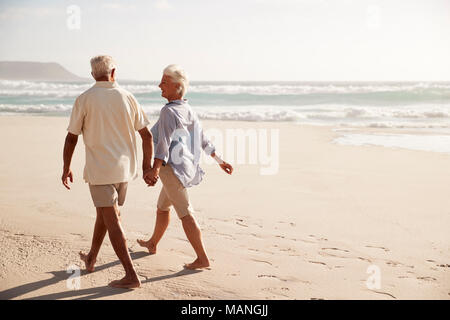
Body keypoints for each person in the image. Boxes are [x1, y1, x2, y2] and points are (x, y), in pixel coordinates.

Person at [61, 55, 156, 288]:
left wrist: (66, 167)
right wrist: (146, 168)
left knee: (112, 219)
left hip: (100, 171)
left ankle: (131, 275)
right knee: (105, 214)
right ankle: (91, 258)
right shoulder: (128, 97)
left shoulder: (84, 99)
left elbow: (72, 137)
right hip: (124, 171)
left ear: (93, 74)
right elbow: (147, 136)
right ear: (114, 72)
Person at [137, 64, 233, 269]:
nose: (159, 85)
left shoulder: (168, 112)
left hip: (171, 169)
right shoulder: (187, 108)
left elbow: (162, 144)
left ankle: (202, 258)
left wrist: (153, 169)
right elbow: (203, 139)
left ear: (177, 86)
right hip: (180, 167)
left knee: (185, 212)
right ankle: (153, 243)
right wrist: (220, 160)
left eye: (164, 82)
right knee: (162, 208)